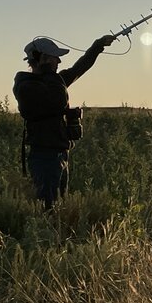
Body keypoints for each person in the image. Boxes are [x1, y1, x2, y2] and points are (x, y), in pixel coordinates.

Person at [13, 35, 116, 208]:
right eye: (54, 57)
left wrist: (97, 46)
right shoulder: (26, 86)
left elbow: (79, 68)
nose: (59, 61)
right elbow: (57, 100)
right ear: (43, 59)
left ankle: (57, 233)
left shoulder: (52, 80)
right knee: (47, 208)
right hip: (44, 157)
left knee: (60, 205)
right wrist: (49, 72)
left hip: (59, 154)